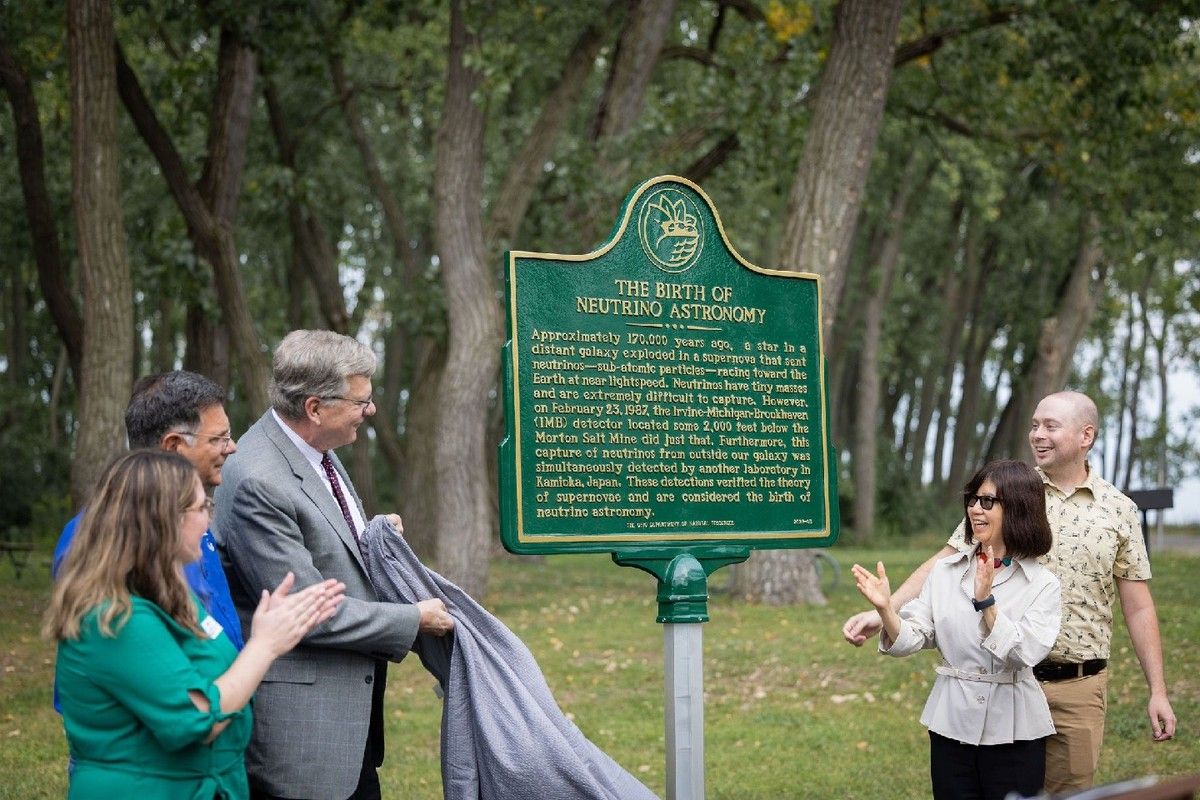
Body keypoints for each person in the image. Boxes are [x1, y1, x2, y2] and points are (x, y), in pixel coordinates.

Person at [842, 390, 1177, 793]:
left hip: (1074, 686)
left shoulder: (1118, 509)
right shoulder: (1006, 490)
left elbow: (1138, 606)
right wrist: (886, 611)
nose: (1037, 434)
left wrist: (1157, 690)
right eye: (1034, 425)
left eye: (1050, 426)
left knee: (1067, 794)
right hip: (997, 679)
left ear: (1085, 435)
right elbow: (945, 562)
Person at [214, 329, 455, 800]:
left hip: (347, 721)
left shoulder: (316, 450)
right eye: (360, 402)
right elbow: (305, 610)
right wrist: (416, 619)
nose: (371, 412)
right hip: (303, 735)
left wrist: (373, 535)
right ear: (315, 408)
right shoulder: (258, 481)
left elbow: (324, 537)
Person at [44, 449, 344, 799]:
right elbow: (198, 719)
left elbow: (210, 677)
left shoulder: (170, 597)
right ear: (162, 520)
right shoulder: (114, 618)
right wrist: (264, 646)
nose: (209, 521)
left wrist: (271, 626)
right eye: (202, 508)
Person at [853, 460, 1061, 800]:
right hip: (951, 725)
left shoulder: (1043, 584)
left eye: (988, 501)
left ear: (1020, 508)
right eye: (972, 499)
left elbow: (1024, 654)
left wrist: (986, 603)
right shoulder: (946, 573)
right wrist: (886, 609)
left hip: (1014, 731)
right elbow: (915, 635)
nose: (975, 509)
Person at [53, 370, 244, 651]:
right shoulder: (101, 537)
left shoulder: (188, 518)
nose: (232, 447)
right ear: (174, 446)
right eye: (220, 438)